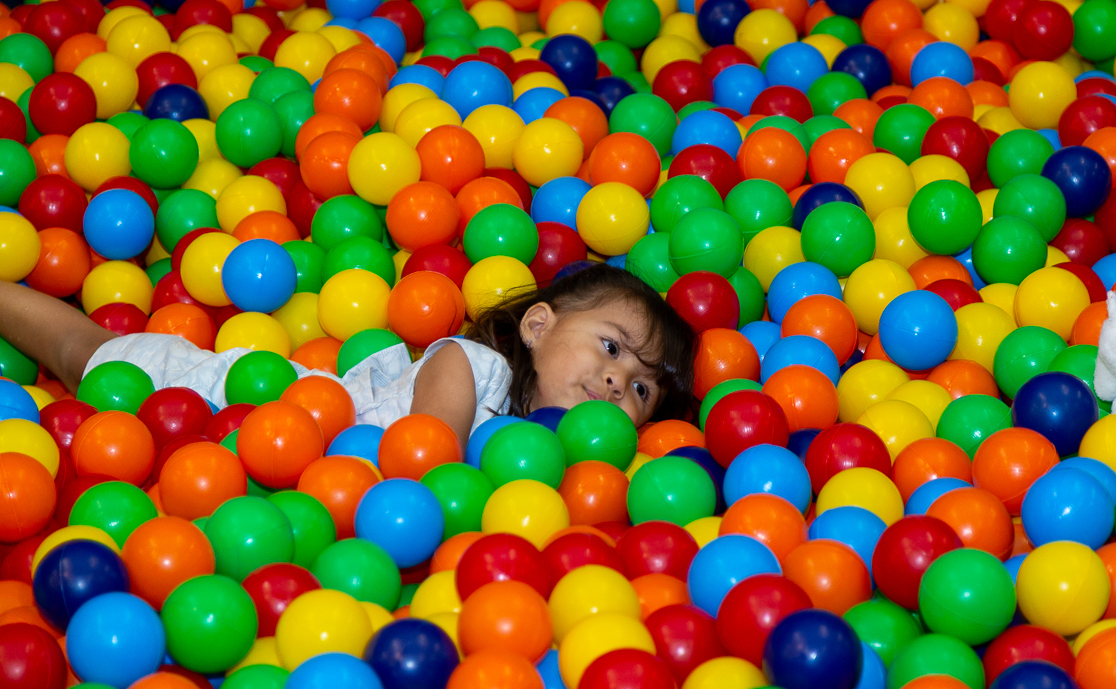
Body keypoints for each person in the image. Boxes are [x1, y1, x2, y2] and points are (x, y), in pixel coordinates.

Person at [0, 264, 696, 447]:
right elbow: (426, 455)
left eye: (641, 390)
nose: (616, 380)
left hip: (249, 463)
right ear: (538, 326)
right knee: (80, 353)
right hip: (224, 400)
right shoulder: (470, 365)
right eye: (612, 348)